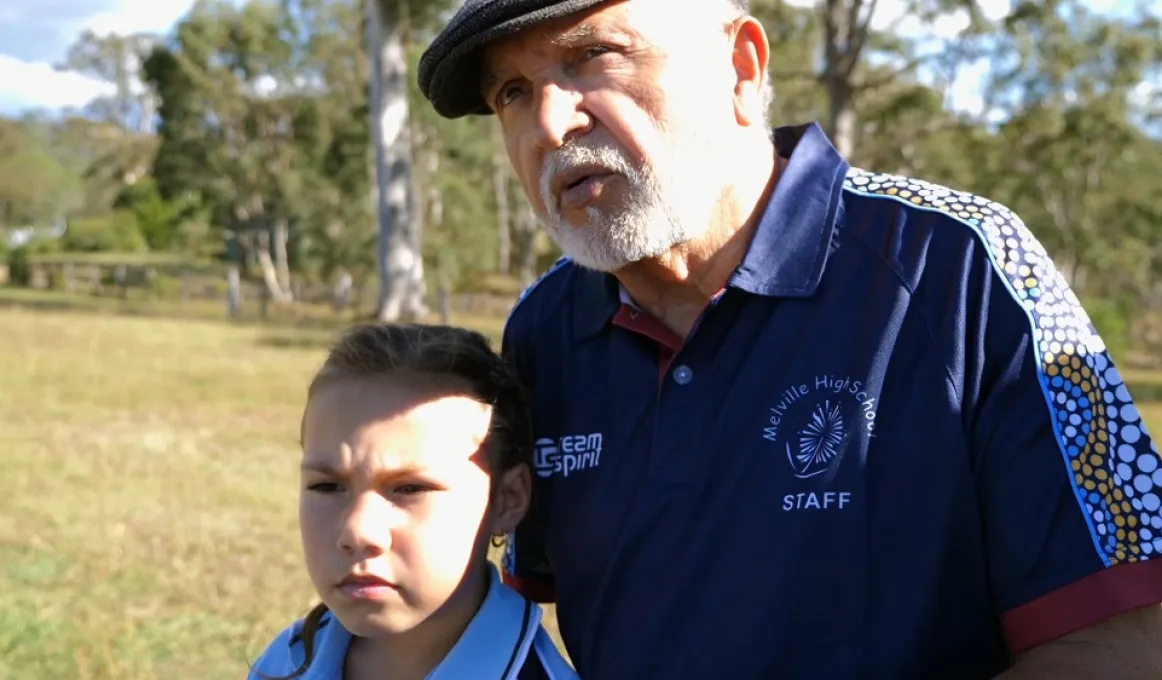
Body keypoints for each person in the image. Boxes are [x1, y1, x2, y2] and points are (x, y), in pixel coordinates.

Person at [416, 0, 1162, 677]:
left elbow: (1126, 635)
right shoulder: (543, 328)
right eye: (512, 91)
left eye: (596, 56)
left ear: (741, 67)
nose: (549, 123)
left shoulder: (961, 264)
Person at [247, 323, 577, 679]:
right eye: (327, 487)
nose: (358, 532)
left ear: (508, 499)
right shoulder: (288, 661)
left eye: (409, 489)